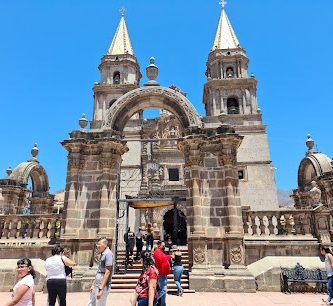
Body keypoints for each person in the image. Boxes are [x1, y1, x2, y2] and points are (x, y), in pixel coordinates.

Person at [87, 237, 114, 306]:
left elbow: (107, 272)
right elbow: (99, 271)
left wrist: (101, 289)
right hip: (97, 284)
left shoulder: (108, 254)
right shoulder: (103, 254)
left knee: (99, 304)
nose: (97, 246)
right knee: (91, 303)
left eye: (99, 244)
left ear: (105, 245)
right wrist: (93, 284)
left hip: (102, 286)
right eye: (97, 244)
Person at [154, 240, 174, 306]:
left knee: (164, 291)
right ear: (159, 245)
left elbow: (163, 258)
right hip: (161, 274)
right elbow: (162, 259)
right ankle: (153, 300)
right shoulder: (157, 252)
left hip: (164, 274)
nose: (164, 247)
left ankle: (163, 304)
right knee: (164, 290)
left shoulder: (161, 252)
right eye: (163, 245)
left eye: (164, 246)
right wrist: (170, 256)